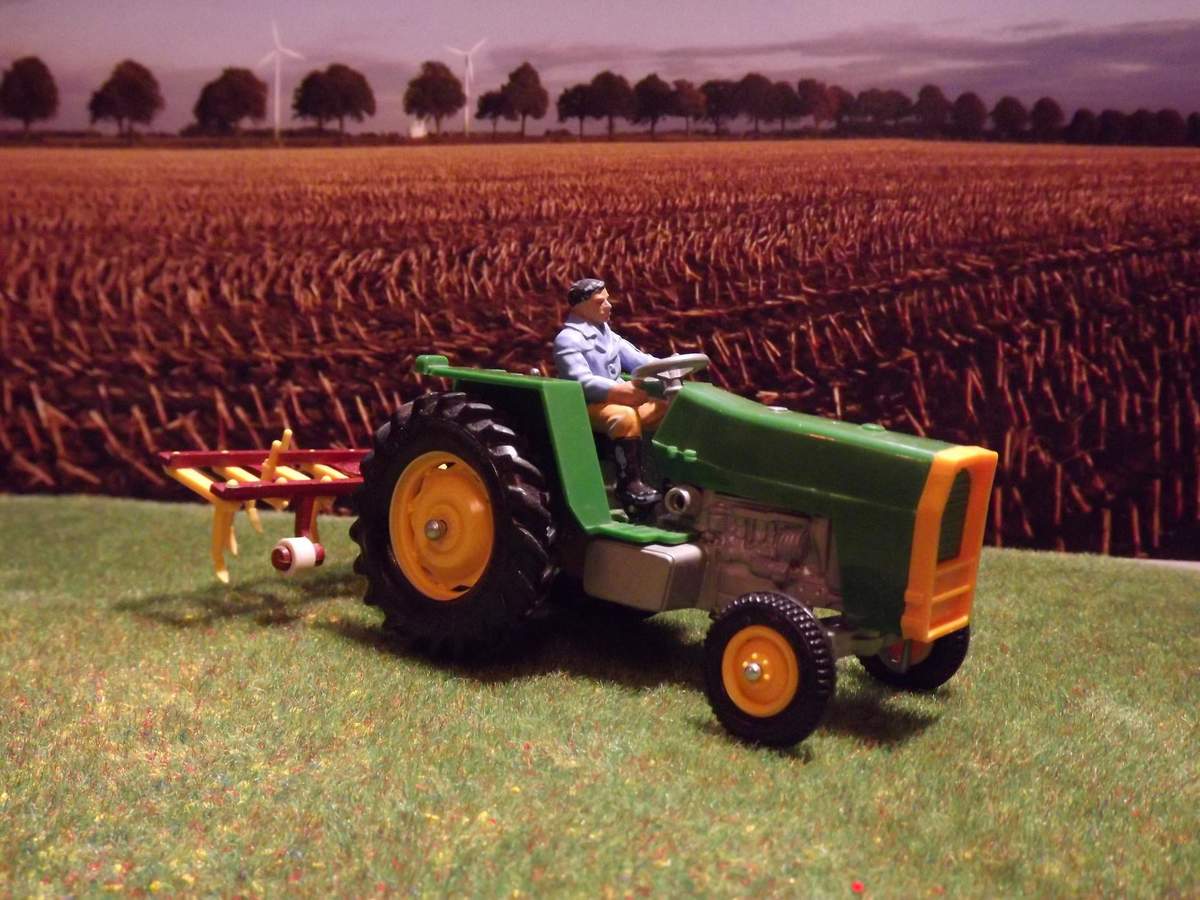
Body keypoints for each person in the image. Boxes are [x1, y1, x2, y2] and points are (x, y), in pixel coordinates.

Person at [553, 278, 668, 506]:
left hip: (617, 400)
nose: (609, 305)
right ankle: (628, 485)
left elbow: (640, 361)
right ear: (581, 306)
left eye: (607, 300)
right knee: (623, 417)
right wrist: (617, 390)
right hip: (585, 406)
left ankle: (664, 476)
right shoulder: (569, 339)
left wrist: (667, 366)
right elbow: (580, 381)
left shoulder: (609, 335)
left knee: (662, 410)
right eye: (600, 302)